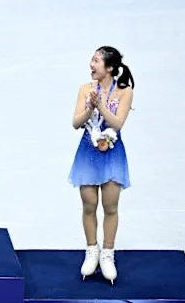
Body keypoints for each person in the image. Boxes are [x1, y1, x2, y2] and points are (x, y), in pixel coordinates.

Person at [69, 46, 135, 284]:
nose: (91, 64)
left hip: (112, 154)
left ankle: (107, 253)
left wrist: (101, 106)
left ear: (109, 67)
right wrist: (89, 107)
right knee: (89, 205)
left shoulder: (124, 91)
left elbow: (117, 124)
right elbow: (76, 123)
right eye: (92, 59)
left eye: (96, 60)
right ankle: (92, 250)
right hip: (88, 152)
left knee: (110, 206)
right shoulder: (85, 89)